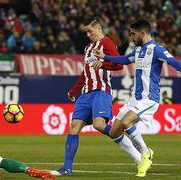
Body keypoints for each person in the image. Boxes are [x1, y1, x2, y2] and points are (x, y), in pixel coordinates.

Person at [93, 18, 181, 177]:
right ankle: (146, 153)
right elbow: (125, 60)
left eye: (133, 34)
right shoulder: (138, 51)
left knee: (126, 122)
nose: (131, 38)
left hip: (149, 99)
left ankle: (145, 154)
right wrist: (105, 57)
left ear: (143, 33)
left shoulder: (157, 49)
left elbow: (172, 60)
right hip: (134, 99)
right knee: (113, 132)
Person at [51, 17, 144, 176]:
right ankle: (67, 168)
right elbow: (85, 72)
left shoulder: (107, 44)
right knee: (74, 127)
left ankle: (137, 156)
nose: (88, 34)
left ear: (99, 29)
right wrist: (74, 91)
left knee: (99, 125)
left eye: (90, 31)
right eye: (86, 32)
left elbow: (119, 65)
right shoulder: (88, 48)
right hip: (86, 93)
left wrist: (104, 63)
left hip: (102, 91)